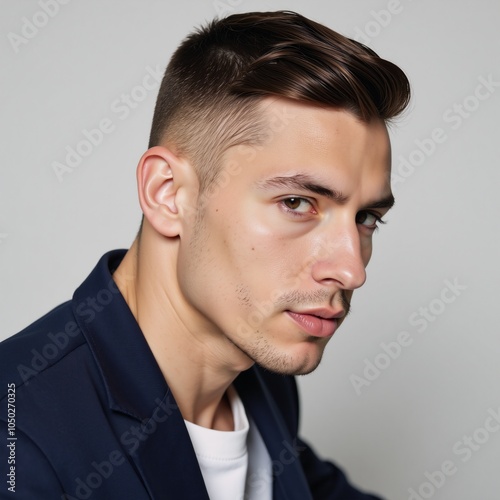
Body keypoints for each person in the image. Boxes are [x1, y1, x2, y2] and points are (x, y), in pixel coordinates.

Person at [0, 10, 410, 500]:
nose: (351, 269)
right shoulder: (20, 437)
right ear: (167, 193)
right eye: (297, 203)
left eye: (366, 218)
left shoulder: (261, 383)